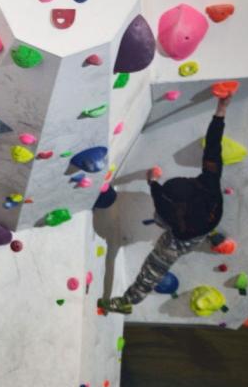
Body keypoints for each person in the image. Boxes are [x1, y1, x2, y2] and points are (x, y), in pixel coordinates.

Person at [99, 91, 231, 315]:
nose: (190, 178)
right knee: (166, 218)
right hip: (206, 218)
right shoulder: (209, 181)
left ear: (177, 207)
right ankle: (209, 231)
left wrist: (152, 183)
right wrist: (221, 111)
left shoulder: (173, 220)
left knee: (154, 267)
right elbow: (213, 147)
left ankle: (128, 302)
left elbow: (162, 204)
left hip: (185, 236)